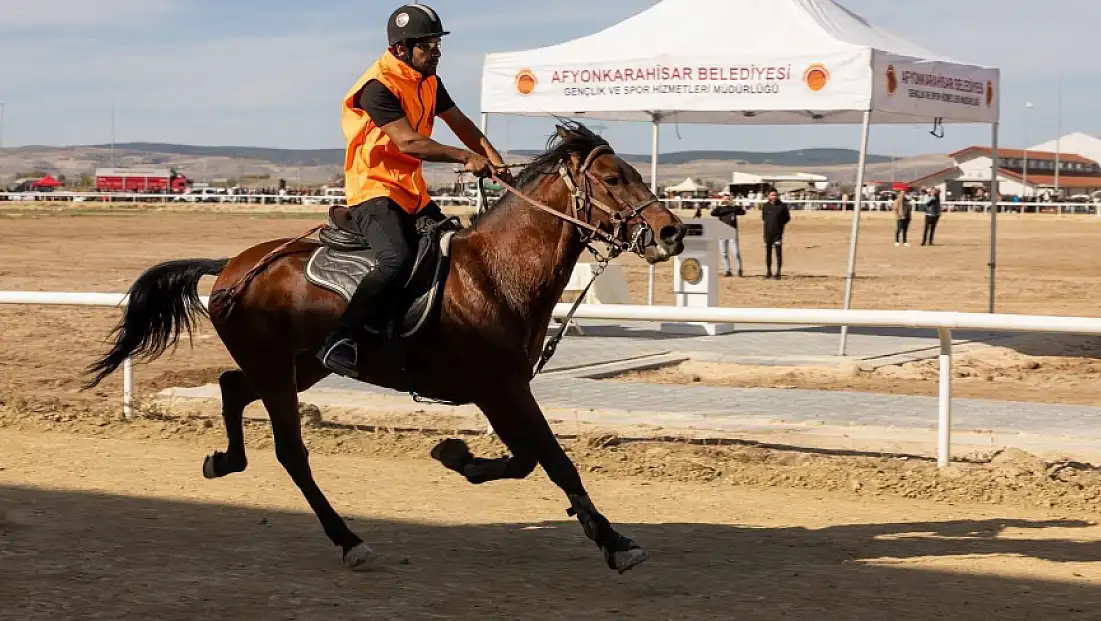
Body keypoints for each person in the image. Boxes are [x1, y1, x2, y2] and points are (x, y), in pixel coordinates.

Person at [318, 3, 510, 377]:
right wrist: (464, 158)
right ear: (401, 50)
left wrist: (495, 160)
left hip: (410, 192)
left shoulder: (429, 81)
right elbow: (408, 143)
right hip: (373, 189)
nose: (436, 51)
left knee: (457, 247)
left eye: (438, 43)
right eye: (428, 45)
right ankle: (342, 338)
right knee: (397, 259)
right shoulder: (377, 87)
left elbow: (462, 123)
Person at [710, 198, 745, 277]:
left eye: (727, 200)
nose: (726, 201)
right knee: (724, 253)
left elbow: (742, 211)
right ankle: (727, 270)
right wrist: (720, 205)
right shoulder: (720, 210)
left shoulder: (734, 209)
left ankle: (739, 269)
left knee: (735, 252)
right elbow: (713, 213)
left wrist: (732, 205)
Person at [761, 189, 791, 279]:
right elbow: (764, 218)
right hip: (768, 233)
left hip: (778, 234)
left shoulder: (782, 206)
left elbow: (787, 218)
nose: (774, 197)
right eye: (772, 195)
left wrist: (779, 225)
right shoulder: (765, 206)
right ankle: (768, 271)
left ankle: (778, 272)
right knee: (768, 252)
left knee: (778, 253)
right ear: (769, 196)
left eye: (775, 195)